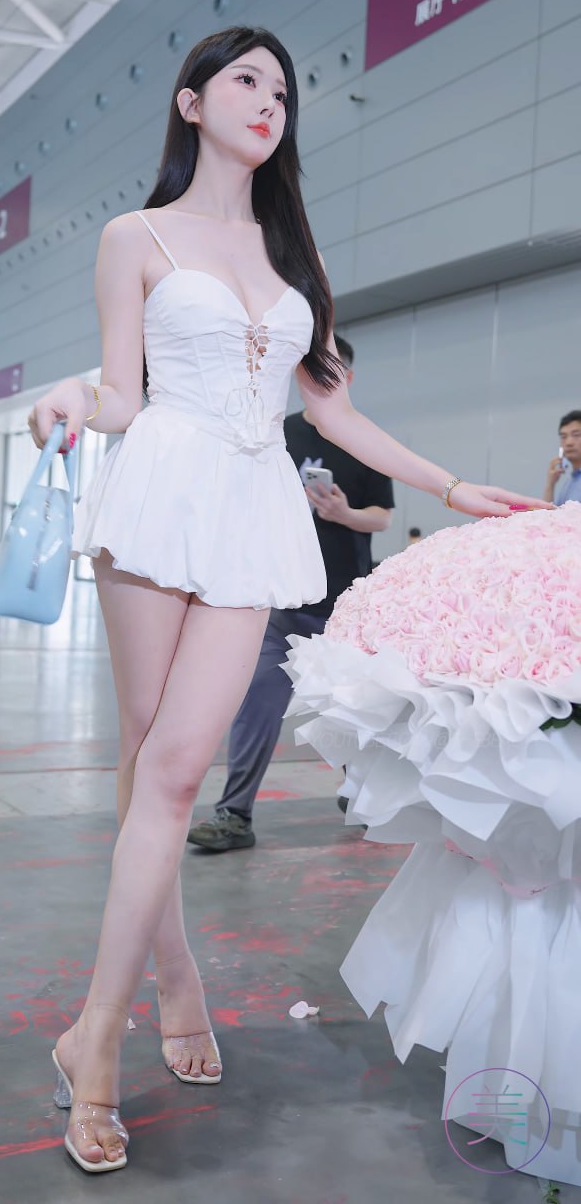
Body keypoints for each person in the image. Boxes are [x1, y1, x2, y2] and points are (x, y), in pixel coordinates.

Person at [26, 25, 549, 1174]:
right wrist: (70, 393)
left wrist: (450, 484)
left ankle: (125, 1006)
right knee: (151, 764)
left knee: (175, 770)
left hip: (255, 507)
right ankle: (118, 1023)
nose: (270, 100)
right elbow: (124, 392)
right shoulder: (135, 236)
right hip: (160, 488)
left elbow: (332, 409)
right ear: (192, 101)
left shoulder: (291, 251)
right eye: (246, 80)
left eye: (282, 88)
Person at [187, 335, 393, 852]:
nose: (319, 379)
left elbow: (382, 517)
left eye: (331, 369)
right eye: (310, 369)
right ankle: (234, 814)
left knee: (352, 707)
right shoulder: (276, 434)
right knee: (256, 703)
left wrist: (343, 513)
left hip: (343, 605)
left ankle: (362, 794)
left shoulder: (367, 440)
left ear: (348, 377)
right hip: (279, 601)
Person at [544, 410, 581, 505]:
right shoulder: (570, 481)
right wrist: (550, 484)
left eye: (576, 435)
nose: (568, 443)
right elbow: (549, 512)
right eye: (563, 437)